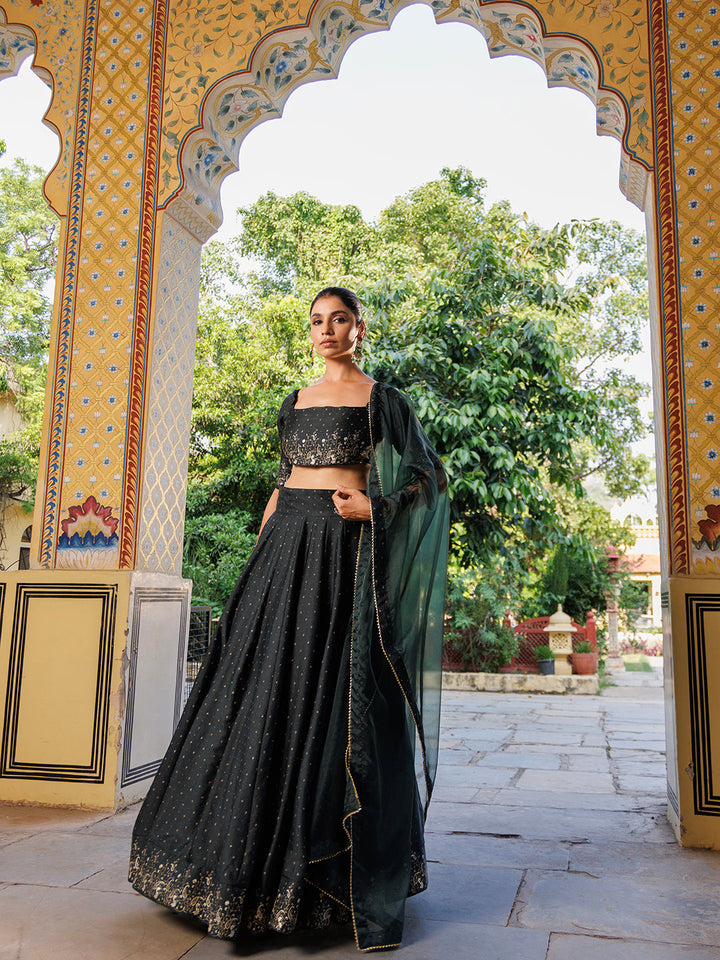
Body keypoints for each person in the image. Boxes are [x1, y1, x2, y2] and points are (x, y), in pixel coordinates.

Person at [129, 287, 449, 952]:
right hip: (284, 552)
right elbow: (283, 483)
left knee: (337, 699)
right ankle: (243, 874)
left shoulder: (383, 399)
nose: (326, 331)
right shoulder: (294, 402)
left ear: (359, 329)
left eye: (338, 320)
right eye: (316, 322)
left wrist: (376, 506)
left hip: (342, 552)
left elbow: (428, 479)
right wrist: (258, 560)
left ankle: (324, 878)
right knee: (259, 695)